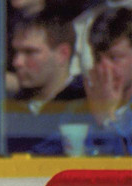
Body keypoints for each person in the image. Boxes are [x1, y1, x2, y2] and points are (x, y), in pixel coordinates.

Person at [5, 12, 90, 154]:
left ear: (62, 53)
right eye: (16, 52)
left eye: (29, 52)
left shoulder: (87, 105)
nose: (17, 62)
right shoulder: (10, 109)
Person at [86, 6, 132, 152]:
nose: (104, 68)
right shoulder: (79, 105)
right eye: (97, 58)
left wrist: (106, 120)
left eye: (114, 58)